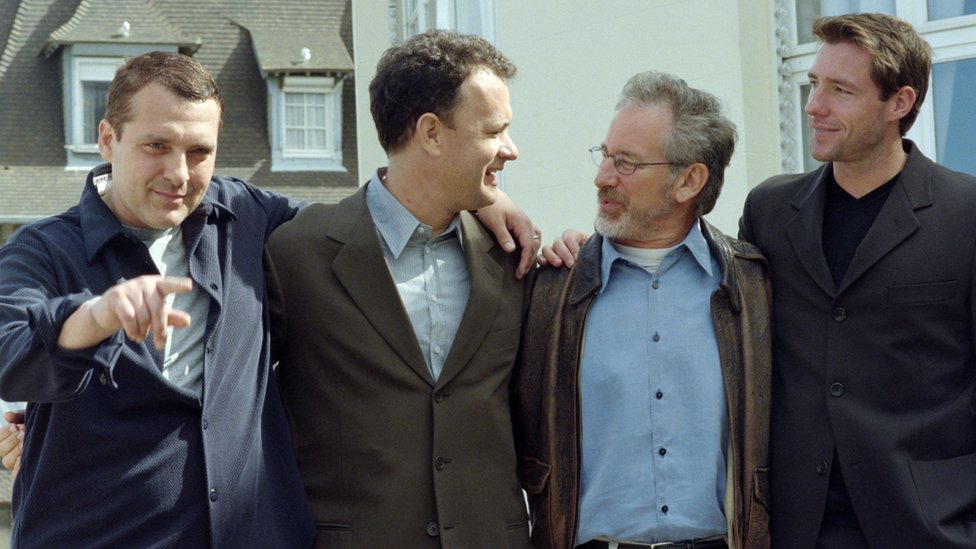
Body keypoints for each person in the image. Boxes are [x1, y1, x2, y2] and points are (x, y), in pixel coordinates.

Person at [0, 50, 538, 548]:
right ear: (108, 139)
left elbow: (371, 217)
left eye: (199, 151)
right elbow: (11, 354)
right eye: (155, 146)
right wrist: (95, 316)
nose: (179, 174)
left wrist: (481, 194)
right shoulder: (42, 249)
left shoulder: (247, 218)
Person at [264, 30, 532, 548]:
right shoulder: (296, 253)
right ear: (431, 133)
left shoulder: (514, 257)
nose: (510, 150)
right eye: (494, 131)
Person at [738, 13, 976, 548]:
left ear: (899, 103)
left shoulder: (966, 213)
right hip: (798, 526)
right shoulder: (770, 211)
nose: (814, 106)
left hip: (931, 527)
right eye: (814, 83)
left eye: (840, 90)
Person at [516, 71, 771, 549]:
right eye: (605, 155)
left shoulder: (754, 288)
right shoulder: (549, 289)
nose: (602, 177)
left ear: (689, 180)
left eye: (627, 163)